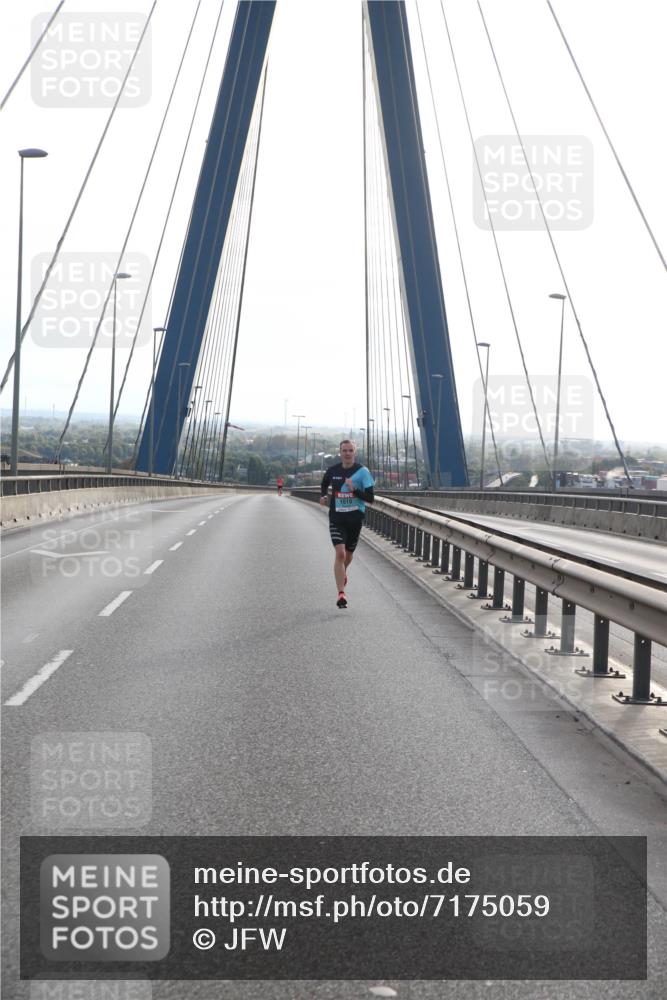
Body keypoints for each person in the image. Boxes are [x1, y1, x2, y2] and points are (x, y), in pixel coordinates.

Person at [319, 439, 375, 608]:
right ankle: (341, 594)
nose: (347, 453)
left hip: (355, 520)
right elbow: (324, 483)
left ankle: (342, 572)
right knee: (341, 554)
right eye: (344, 450)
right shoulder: (333, 470)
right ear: (340, 452)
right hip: (337, 518)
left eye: (350, 450)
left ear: (354, 452)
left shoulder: (362, 472)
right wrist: (323, 495)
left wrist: (354, 490)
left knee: (348, 555)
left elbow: (370, 498)